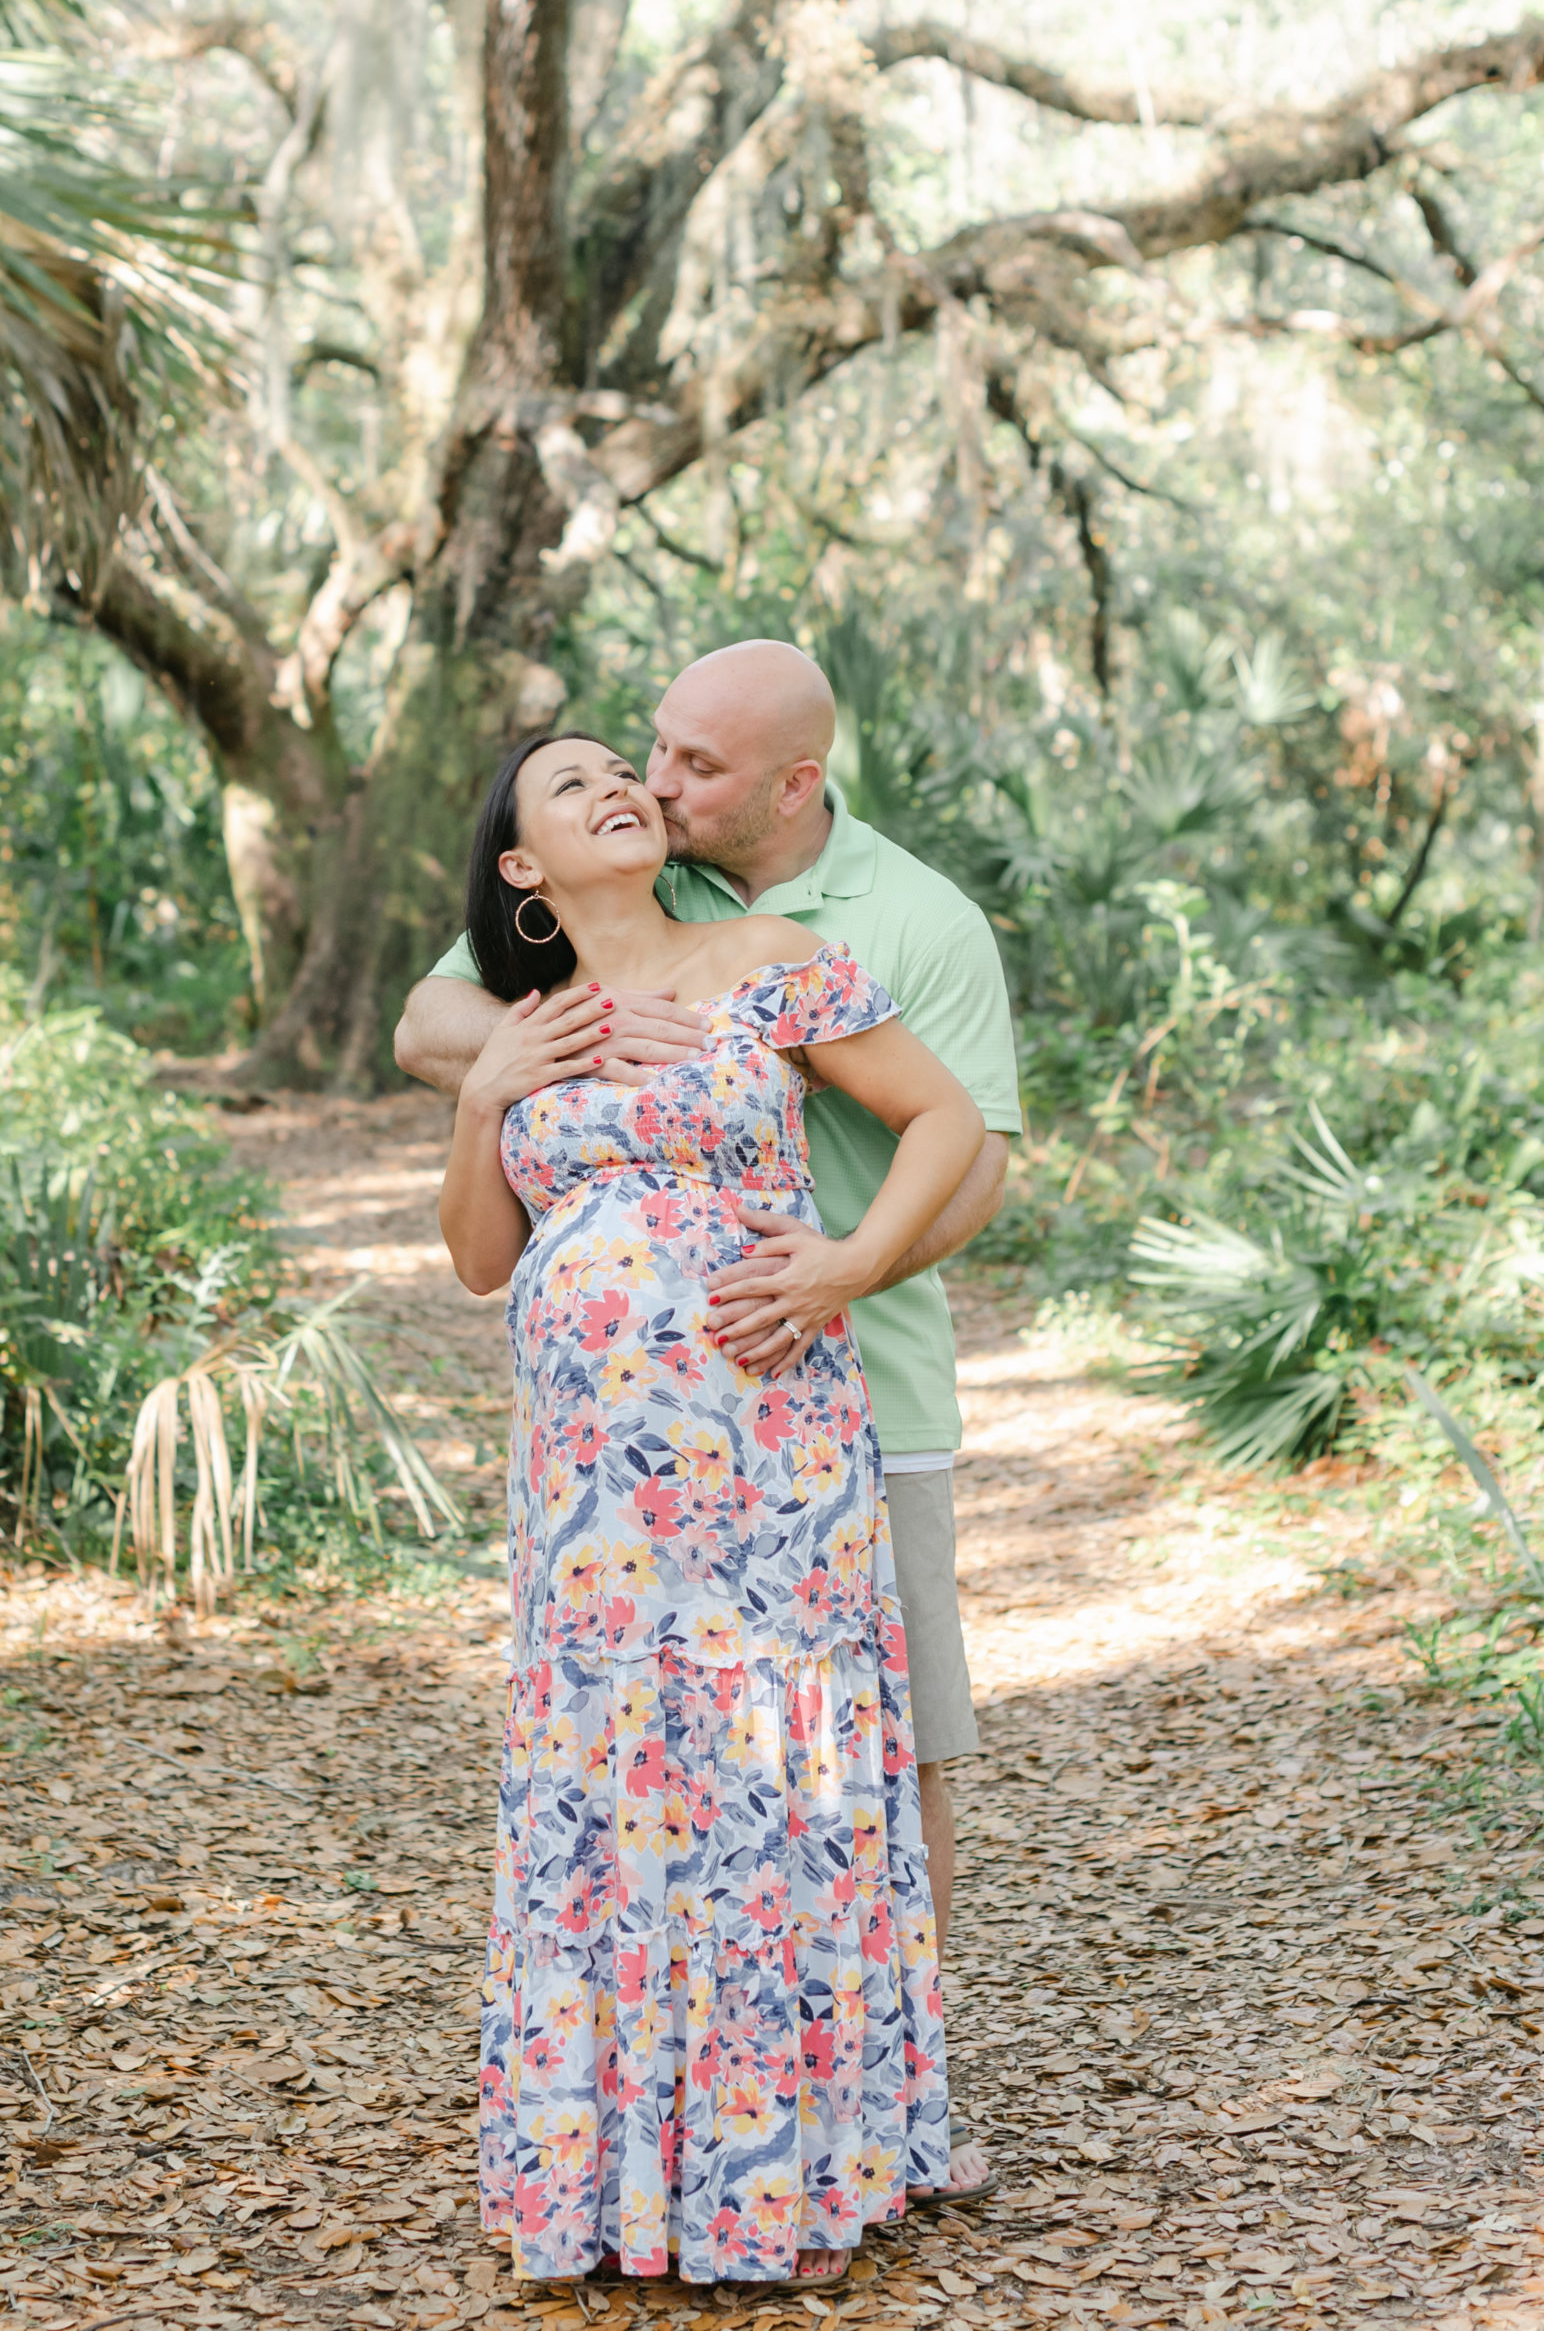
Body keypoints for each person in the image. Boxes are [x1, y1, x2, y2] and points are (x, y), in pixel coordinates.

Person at [396, 640, 1021, 2200]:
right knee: (618, 1796)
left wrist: (844, 1266)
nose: (632, 783)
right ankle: (627, 2164)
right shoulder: (523, 1012)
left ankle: (820, 2150)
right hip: (595, 1504)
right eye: (589, 777)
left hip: (777, 1457)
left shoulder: (775, 952)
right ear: (526, 870)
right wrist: (495, 1090)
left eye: (646, 769)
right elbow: (479, 1258)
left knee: (787, 1787)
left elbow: (953, 1121)